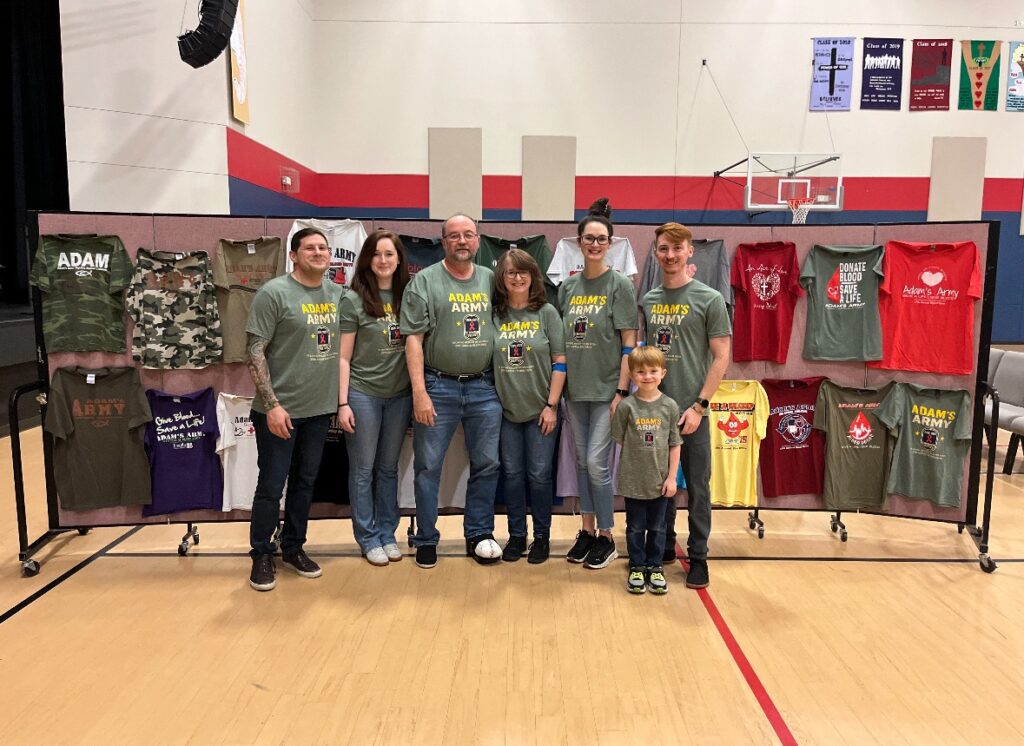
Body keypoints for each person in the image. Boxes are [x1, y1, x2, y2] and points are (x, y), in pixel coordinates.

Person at [399, 213, 503, 568]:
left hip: (485, 388)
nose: (462, 241)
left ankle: (479, 534)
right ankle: (426, 537)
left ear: (478, 240)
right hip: (438, 386)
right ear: (443, 242)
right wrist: (419, 392)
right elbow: (413, 339)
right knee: (428, 466)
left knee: (487, 464)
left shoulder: (492, 280)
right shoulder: (425, 282)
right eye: (454, 236)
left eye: (469, 235)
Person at [246, 227, 345, 591]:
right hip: (279, 410)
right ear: (293, 255)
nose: (318, 252)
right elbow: (254, 351)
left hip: (319, 410)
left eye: (323, 247)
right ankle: (261, 553)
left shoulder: (339, 295)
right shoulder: (274, 293)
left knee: (305, 483)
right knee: (272, 485)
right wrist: (271, 405)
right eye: (310, 248)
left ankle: (293, 547)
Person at [640, 222, 731, 589]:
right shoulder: (648, 300)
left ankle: (698, 557)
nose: (670, 255)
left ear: (690, 251)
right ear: (656, 252)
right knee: (661, 485)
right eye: (663, 248)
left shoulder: (709, 299)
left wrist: (700, 406)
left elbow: (721, 357)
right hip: (657, 411)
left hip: (693, 411)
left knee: (697, 486)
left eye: (677, 248)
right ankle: (663, 543)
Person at [559, 198, 638, 570]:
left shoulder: (620, 285)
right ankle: (587, 530)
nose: (594, 244)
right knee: (581, 461)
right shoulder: (568, 288)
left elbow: (629, 343)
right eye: (588, 238)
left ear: (610, 244)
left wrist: (622, 392)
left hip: (609, 391)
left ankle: (607, 535)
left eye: (601, 239)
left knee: (596, 462)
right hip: (576, 391)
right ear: (579, 243)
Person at [337, 230, 412, 566]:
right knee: (363, 470)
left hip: (399, 396)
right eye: (377, 254)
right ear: (367, 259)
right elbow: (342, 357)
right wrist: (342, 403)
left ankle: (387, 533)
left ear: (399, 260)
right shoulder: (353, 299)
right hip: (363, 393)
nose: (383, 261)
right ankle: (367, 537)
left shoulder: (409, 296)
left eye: (390, 254)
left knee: (388, 469)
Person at [491, 249, 566, 564]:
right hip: (507, 411)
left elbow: (560, 362)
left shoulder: (547, 312)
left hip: (541, 411)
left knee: (538, 475)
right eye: (510, 272)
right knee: (512, 476)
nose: (517, 277)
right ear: (502, 279)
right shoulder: (495, 314)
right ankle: (516, 536)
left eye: (523, 272)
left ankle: (542, 538)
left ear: (534, 277)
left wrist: (551, 405)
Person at [611, 347, 681, 595]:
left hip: (660, 483)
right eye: (641, 371)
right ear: (631, 375)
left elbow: (674, 445)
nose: (647, 376)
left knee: (659, 528)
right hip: (633, 482)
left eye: (653, 371)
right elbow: (620, 440)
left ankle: (655, 566)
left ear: (663, 372)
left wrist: (672, 477)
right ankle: (637, 566)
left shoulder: (670, 406)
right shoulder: (626, 407)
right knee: (635, 527)